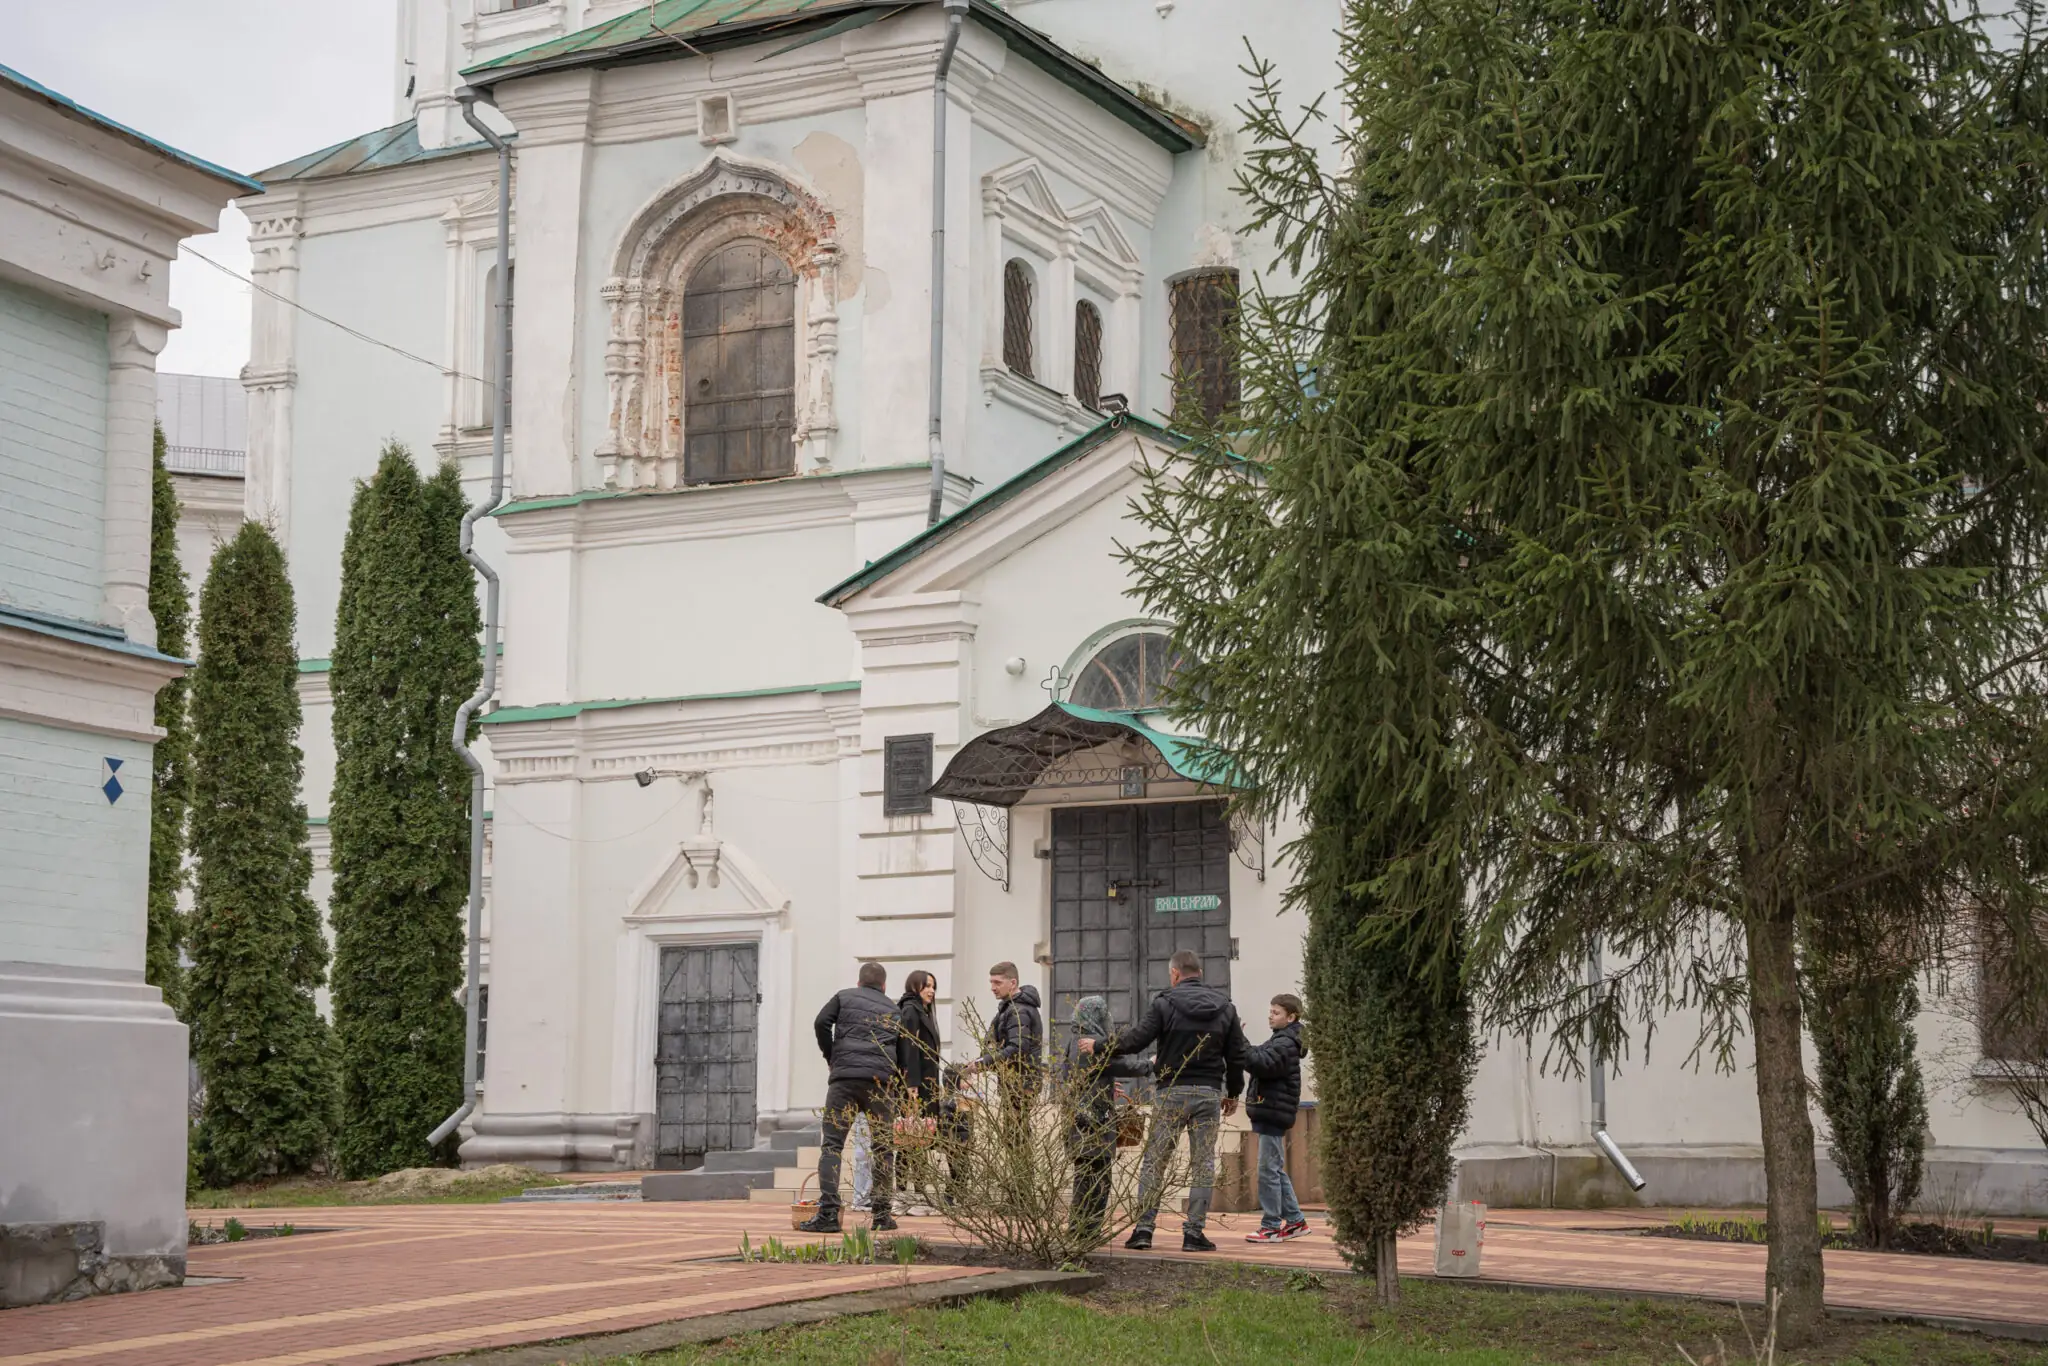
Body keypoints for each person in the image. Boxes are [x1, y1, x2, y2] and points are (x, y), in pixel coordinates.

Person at [1083, 948, 1249, 1252]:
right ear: (1199, 973)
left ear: (1174, 974)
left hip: (1170, 1092)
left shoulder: (1164, 1003)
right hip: (1208, 1093)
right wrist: (1234, 1092)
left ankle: (1144, 1230)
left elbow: (1136, 1040)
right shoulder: (1226, 1008)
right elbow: (1236, 1055)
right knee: (1203, 1163)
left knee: (1155, 1162)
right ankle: (1193, 1234)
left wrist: (1099, 1045)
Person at [801, 961, 901, 1233]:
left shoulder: (844, 996)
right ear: (883, 986)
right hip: (880, 1085)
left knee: (833, 1145)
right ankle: (882, 1216)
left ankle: (829, 1215)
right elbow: (902, 1048)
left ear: (859, 983)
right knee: (882, 1148)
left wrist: (831, 1055)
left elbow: (821, 1022)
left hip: (844, 1082)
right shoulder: (894, 1009)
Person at [1061, 994, 1152, 1241]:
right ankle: (1084, 1231)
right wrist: (1150, 1064)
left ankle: (1082, 1230)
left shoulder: (1072, 1040)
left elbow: (1082, 1075)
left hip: (1078, 1118)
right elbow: (1117, 1065)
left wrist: (1105, 1086)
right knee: (1096, 1178)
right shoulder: (1089, 1042)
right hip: (1093, 1120)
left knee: (1086, 1175)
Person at [1243, 993, 1309, 1243]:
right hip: (1271, 1112)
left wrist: (1239, 1042)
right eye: (1270, 1011)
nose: (1270, 1016)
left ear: (1291, 1017)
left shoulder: (1286, 1043)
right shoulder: (1282, 1039)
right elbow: (1257, 1054)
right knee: (1274, 1169)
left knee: (1268, 1170)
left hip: (1273, 1113)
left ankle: (1270, 1226)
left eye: (1276, 1013)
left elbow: (1261, 1063)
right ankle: (1294, 1221)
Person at [971, 961, 1043, 1122]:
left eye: (998, 982)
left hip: (1021, 1083)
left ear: (1013, 983)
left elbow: (1017, 1048)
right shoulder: (1009, 1008)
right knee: (1014, 1134)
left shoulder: (1019, 1011)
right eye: (991, 982)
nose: (993, 987)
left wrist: (982, 1063)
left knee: (1016, 1137)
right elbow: (993, 1038)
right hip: (1015, 1081)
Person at [896, 970, 943, 1107]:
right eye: (927, 986)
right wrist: (912, 1083)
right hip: (918, 1084)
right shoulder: (911, 1010)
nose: (932, 991)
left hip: (926, 1081)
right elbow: (909, 1047)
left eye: (933, 987)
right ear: (914, 986)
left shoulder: (921, 1011)